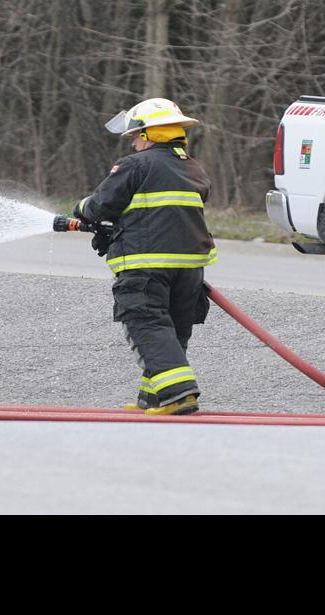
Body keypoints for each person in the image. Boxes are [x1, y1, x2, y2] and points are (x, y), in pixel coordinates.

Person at [72, 97, 218, 416]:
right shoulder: (193, 168)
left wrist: (81, 209)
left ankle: (179, 394)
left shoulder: (135, 165)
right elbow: (161, 212)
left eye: (137, 135)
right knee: (173, 330)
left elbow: (100, 205)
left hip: (145, 264)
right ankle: (154, 397)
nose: (134, 141)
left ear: (151, 134)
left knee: (147, 324)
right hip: (190, 269)